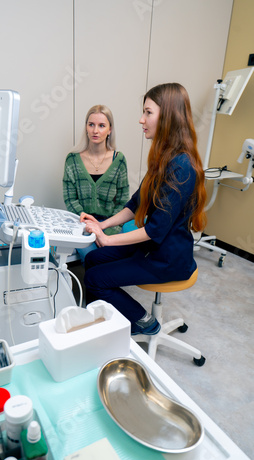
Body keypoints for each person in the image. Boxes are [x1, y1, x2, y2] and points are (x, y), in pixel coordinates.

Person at [82, 83, 207, 335]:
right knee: (92, 258)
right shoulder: (163, 156)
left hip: (167, 259)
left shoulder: (181, 166)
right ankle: (104, 321)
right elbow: (135, 203)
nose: (141, 119)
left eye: (148, 112)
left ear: (168, 116)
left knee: (95, 279)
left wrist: (108, 239)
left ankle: (144, 321)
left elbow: (155, 229)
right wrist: (101, 225)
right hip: (153, 248)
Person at [63, 105, 129, 263]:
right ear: (86, 127)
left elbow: (123, 201)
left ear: (110, 129)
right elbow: (70, 199)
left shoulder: (118, 160)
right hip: (82, 226)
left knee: (111, 261)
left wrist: (108, 232)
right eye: (91, 124)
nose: (95, 131)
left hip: (111, 225)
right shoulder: (72, 160)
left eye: (101, 125)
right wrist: (88, 225)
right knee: (94, 260)